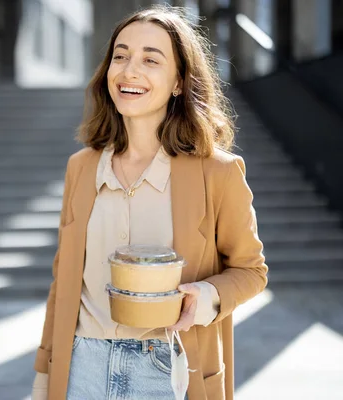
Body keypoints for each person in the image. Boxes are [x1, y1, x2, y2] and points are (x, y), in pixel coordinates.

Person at [30, 5, 268, 400]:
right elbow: (64, 283)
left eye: (150, 60)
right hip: (80, 366)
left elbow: (251, 271)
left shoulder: (218, 172)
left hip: (168, 368)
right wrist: (44, 378)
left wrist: (206, 297)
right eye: (120, 56)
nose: (129, 70)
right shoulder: (81, 167)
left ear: (178, 81)